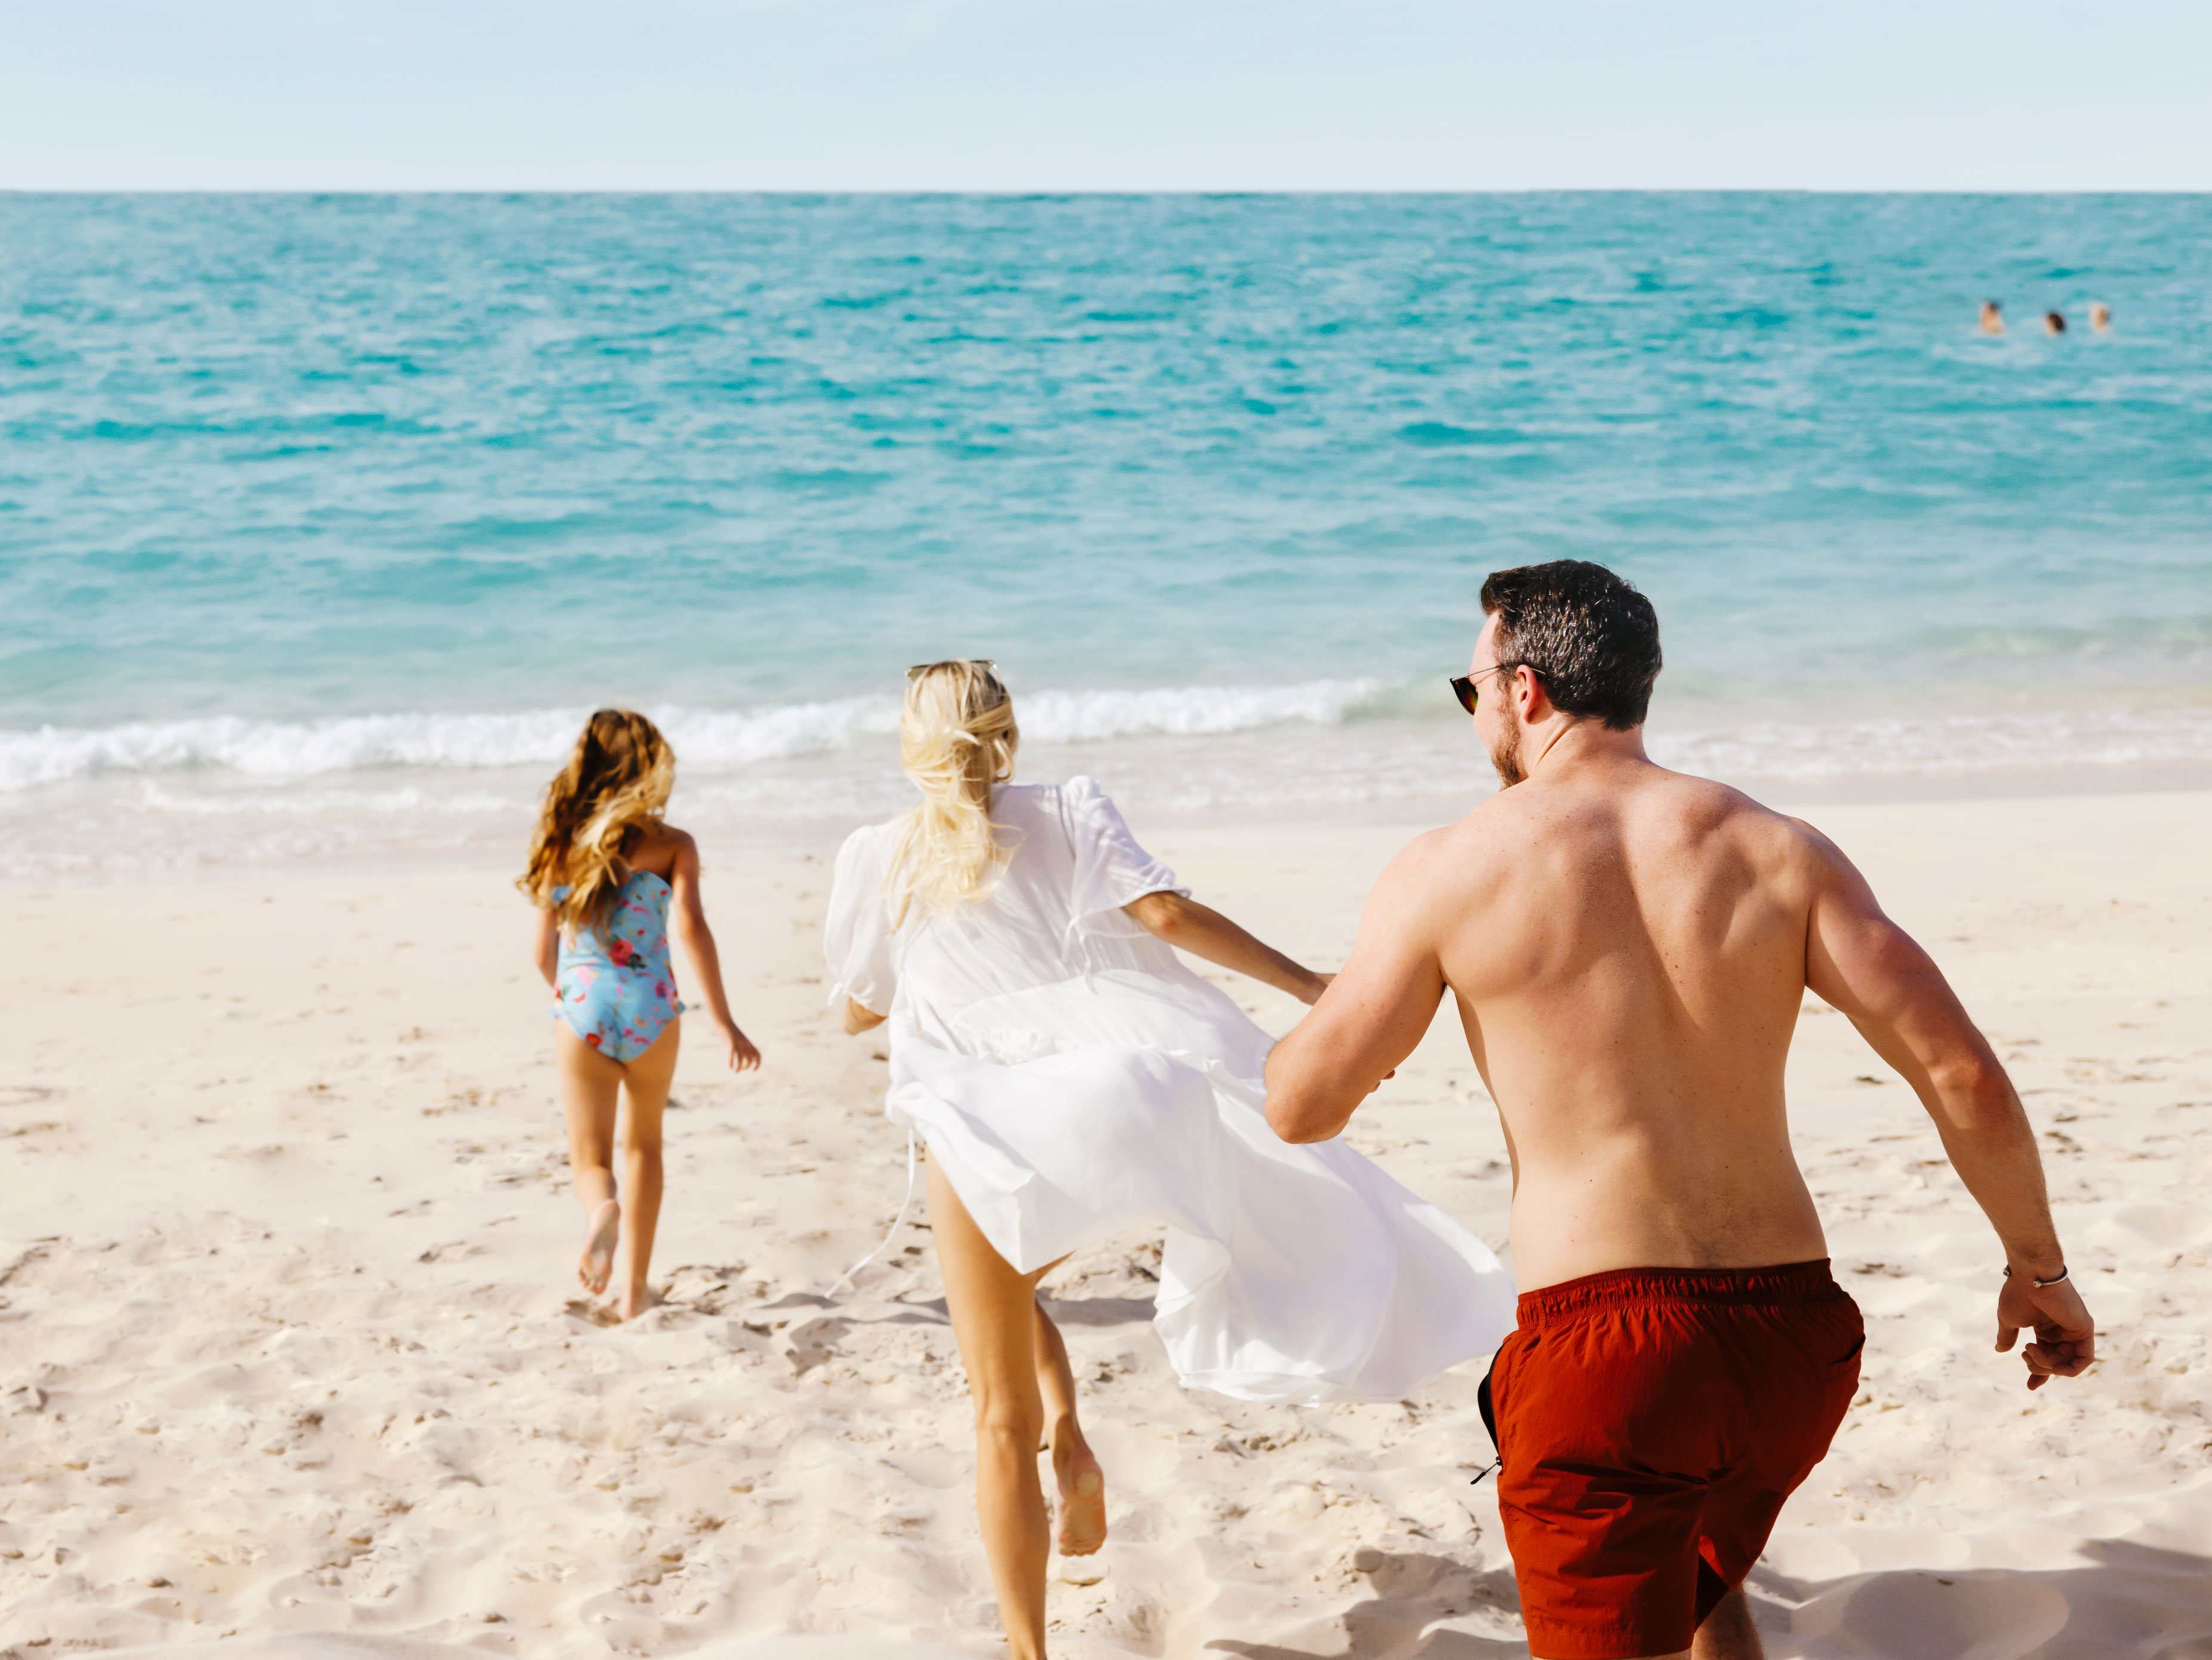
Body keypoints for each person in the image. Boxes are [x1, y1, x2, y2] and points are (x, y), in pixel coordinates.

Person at [1265, 562, 2093, 1660]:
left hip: (1604, 1356)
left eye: (1470, 694)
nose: (1474, 723)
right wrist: (2039, 1270)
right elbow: (1964, 1077)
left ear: (1524, 692)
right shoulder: (1778, 848)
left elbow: (1301, 1107)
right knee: (1701, 1581)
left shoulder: (1451, 867)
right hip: (1792, 1348)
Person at [829, 661, 1514, 1660]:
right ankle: (1073, 1431)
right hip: (1122, 1095)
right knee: (1019, 1296)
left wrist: (915, 967)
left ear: (911, 744)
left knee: (991, 1408)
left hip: (992, 1122)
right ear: (1007, 732)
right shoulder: (1067, 805)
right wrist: (1309, 986)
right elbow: (1165, 916)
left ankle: (1029, 1637)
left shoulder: (879, 856)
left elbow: (859, 1009)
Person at [519, 709, 760, 1323]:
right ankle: (632, 1291)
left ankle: (603, 1210)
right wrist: (725, 1022)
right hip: (653, 1008)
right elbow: (692, 929)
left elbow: (542, 952)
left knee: (589, 1156)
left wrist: (573, 996)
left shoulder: (560, 842)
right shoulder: (673, 843)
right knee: (645, 1143)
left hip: (584, 1008)